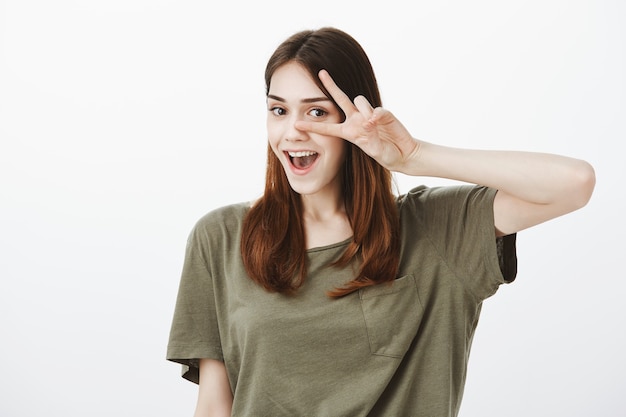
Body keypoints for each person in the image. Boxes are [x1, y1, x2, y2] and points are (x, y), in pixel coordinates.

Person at [166, 27, 595, 417]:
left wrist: (414, 157)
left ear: (356, 117)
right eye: (279, 111)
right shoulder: (220, 237)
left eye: (316, 113)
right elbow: (213, 406)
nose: (292, 131)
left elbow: (574, 183)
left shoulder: (435, 230)